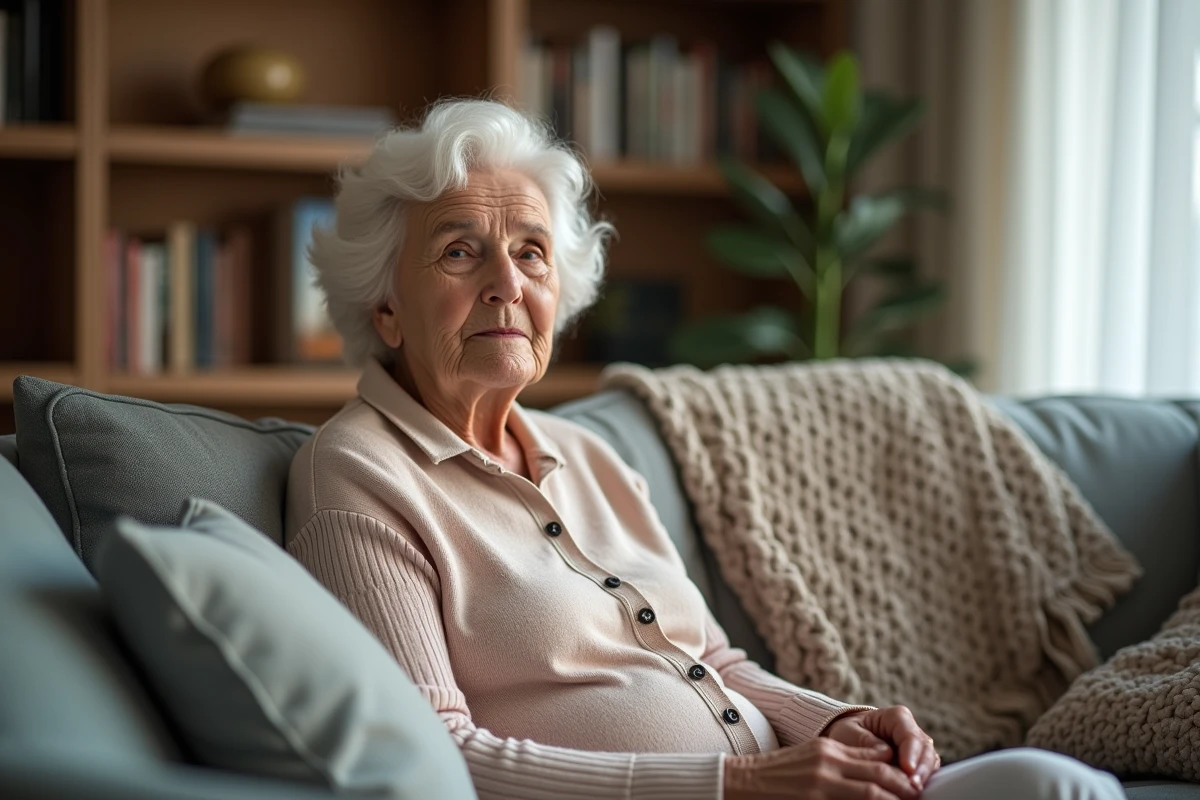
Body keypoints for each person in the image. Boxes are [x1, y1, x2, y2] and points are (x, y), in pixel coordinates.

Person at [283, 98, 1125, 800]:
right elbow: (433, 757)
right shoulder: (356, 473)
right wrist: (740, 782)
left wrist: (834, 722)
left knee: (1060, 787)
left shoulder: (589, 453)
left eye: (531, 252)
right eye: (460, 251)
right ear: (384, 307)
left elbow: (710, 659)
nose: (507, 281)